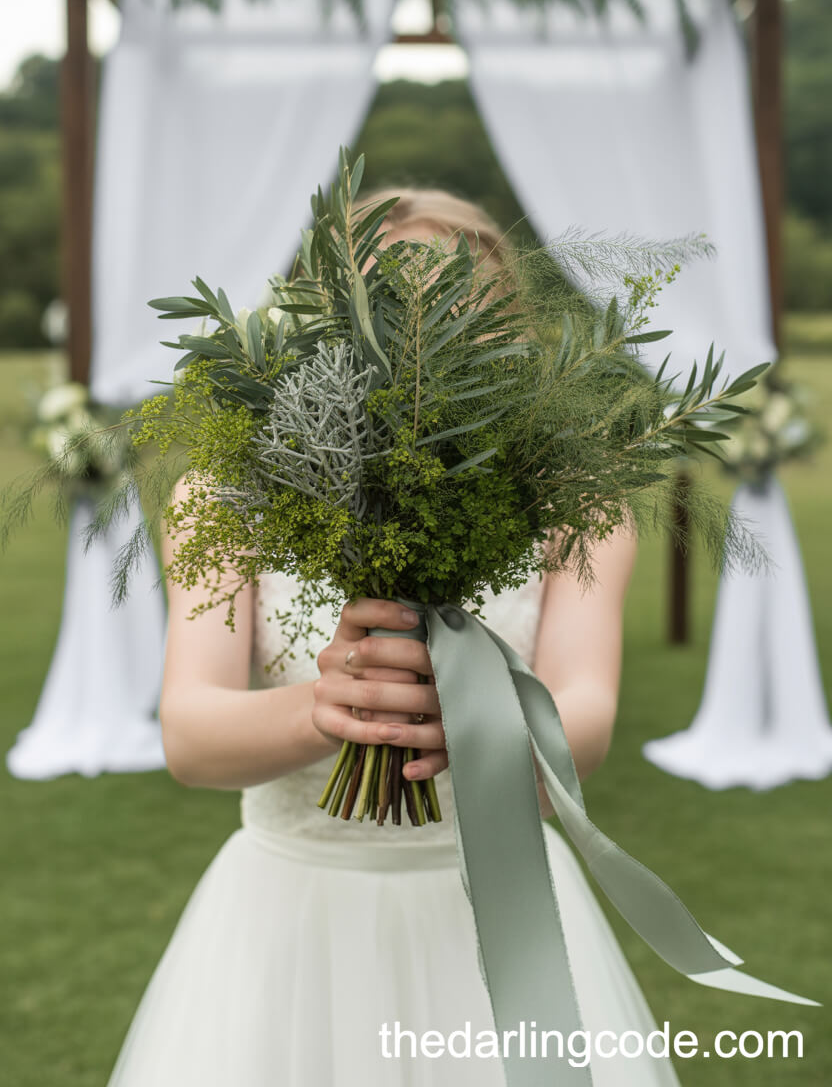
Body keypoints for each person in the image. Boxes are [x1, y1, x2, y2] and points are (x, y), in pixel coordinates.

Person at [105, 188, 680, 1086]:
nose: (421, 339)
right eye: (387, 306)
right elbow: (190, 735)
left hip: (496, 905)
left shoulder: (579, 509)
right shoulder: (227, 497)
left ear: (507, 332)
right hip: (287, 917)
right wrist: (328, 708)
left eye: (454, 306)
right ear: (321, 324)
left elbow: (589, 718)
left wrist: (484, 728)